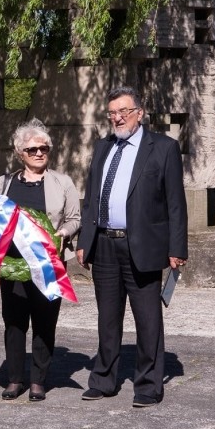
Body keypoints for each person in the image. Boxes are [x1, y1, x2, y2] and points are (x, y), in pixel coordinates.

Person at [76, 86, 188, 408]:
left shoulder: (163, 148)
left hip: (143, 246)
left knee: (148, 319)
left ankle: (149, 386)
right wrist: (85, 241)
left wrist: (177, 247)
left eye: (123, 111)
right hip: (105, 247)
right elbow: (91, 198)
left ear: (139, 112)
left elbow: (176, 204)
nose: (117, 118)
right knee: (107, 319)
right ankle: (103, 380)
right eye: (112, 113)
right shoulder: (102, 148)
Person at [0, 118, 81, 402]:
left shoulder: (63, 182)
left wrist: (63, 232)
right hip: (13, 265)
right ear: (20, 152)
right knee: (14, 323)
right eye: (32, 149)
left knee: (45, 322)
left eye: (44, 148)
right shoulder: (2, 183)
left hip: (48, 265)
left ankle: (38, 381)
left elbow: (75, 218)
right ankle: (14, 379)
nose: (39, 153)